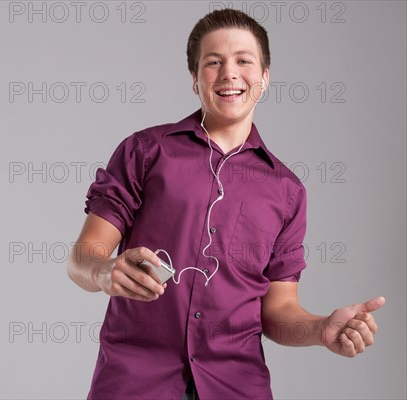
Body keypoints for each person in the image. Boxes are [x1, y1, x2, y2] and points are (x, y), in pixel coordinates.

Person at [66, 8, 384, 400]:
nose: (229, 73)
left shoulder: (287, 190)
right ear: (196, 80)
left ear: (265, 78)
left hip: (237, 386)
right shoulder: (145, 152)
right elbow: (83, 256)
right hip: (135, 381)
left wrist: (321, 330)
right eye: (213, 62)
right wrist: (104, 272)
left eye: (244, 61)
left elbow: (277, 310)